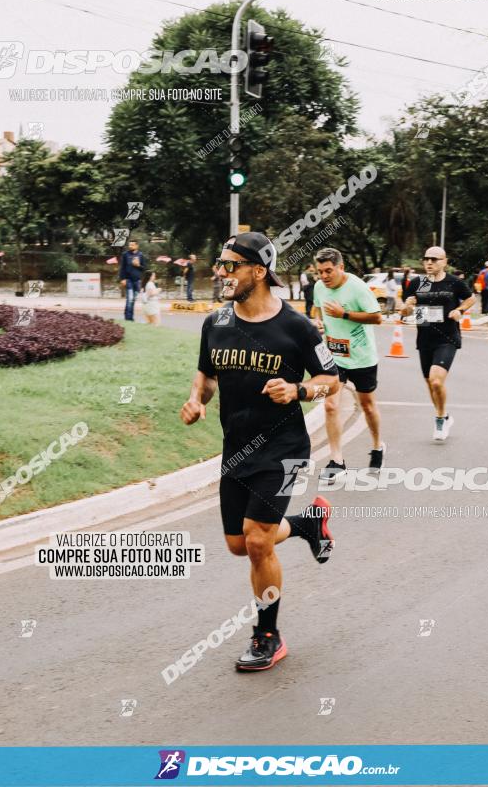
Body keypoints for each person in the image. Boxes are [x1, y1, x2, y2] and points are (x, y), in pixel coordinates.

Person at [181, 231, 340, 672]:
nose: (222, 272)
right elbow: (205, 376)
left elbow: (332, 379)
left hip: (285, 451)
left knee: (256, 541)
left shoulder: (297, 328)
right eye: (220, 264)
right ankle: (308, 524)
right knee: (238, 545)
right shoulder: (216, 324)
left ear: (259, 270)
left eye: (231, 265)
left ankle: (267, 634)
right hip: (236, 450)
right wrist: (197, 399)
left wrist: (298, 389)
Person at [312, 247, 385, 480]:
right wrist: (317, 321)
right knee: (331, 405)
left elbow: (377, 317)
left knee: (368, 406)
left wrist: (344, 314)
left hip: (362, 357)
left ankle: (377, 446)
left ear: (341, 267)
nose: (324, 276)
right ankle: (337, 461)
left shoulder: (358, 288)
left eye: (328, 271)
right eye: (320, 271)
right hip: (335, 356)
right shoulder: (319, 287)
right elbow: (317, 309)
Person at [401, 246, 475, 442]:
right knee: (430, 384)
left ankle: (440, 419)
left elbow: (470, 298)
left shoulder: (453, 282)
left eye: (434, 259)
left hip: (447, 338)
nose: (429, 262)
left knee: (436, 380)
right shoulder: (418, 282)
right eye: (426, 259)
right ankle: (445, 415)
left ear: (444, 262)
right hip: (424, 338)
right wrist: (407, 307)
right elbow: (405, 311)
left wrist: (460, 310)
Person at [119, 239, 146, 321]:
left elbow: (144, 268)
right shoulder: (125, 255)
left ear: (137, 246)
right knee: (130, 298)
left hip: (137, 281)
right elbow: (122, 268)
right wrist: (122, 279)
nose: (130, 246)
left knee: (133, 300)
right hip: (128, 280)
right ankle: (128, 318)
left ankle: (130, 316)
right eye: (129, 245)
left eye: (132, 245)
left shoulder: (141, 255)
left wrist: (138, 265)